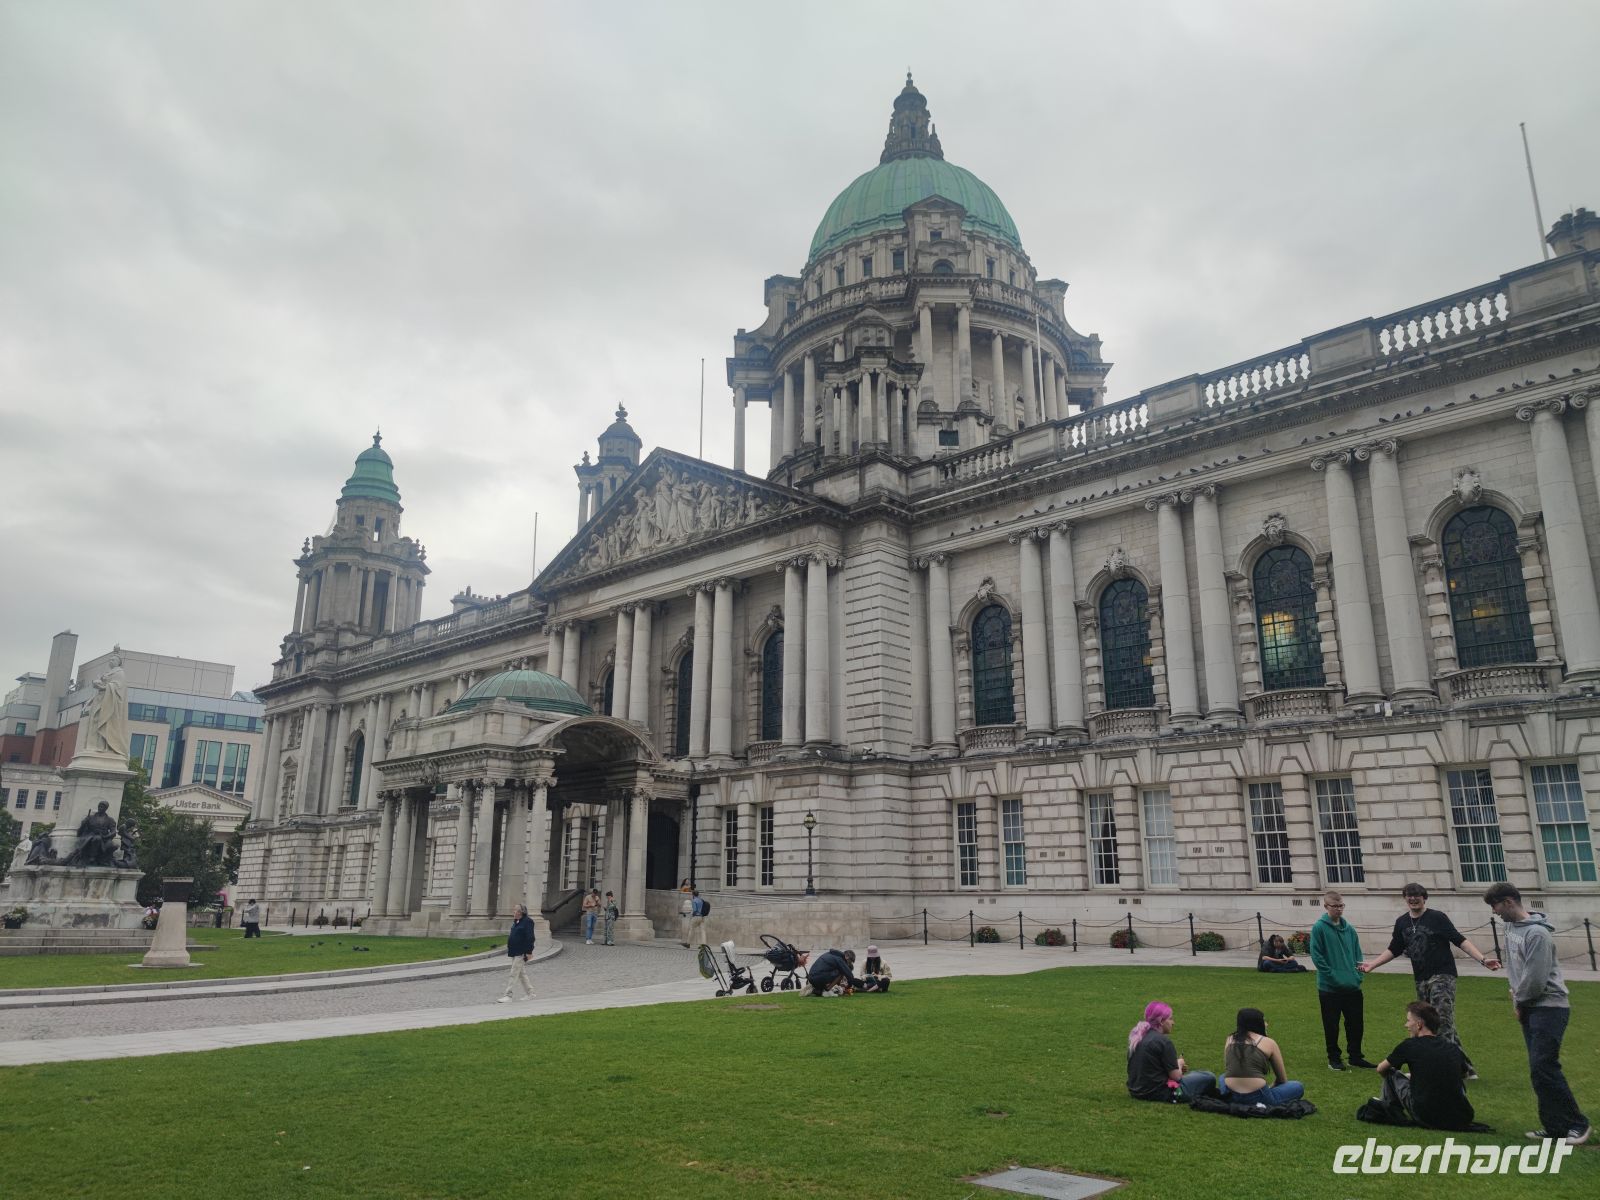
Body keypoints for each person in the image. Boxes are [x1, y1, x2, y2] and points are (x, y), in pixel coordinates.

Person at [1483, 882, 1591, 1145]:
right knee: (1537, 1069)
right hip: (1530, 1006)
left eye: (1495, 905)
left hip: (1549, 1007)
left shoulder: (1537, 935)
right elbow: (1515, 969)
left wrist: (1520, 1000)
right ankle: (1554, 1126)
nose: (1494, 912)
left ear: (1508, 902)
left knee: (1545, 1066)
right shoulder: (1511, 928)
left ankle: (1578, 1124)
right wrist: (1517, 1001)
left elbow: (1536, 978)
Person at [1359, 883, 1498, 1078]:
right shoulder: (1402, 922)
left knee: (1442, 1023)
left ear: (1424, 898)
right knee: (1433, 1023)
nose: (1413, 899)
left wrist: (1483, 959)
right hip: (1421, 979)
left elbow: (1460, 940)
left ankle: (1448, 1070)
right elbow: (1394, 949)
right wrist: (1372, 964)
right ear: (1405, 899)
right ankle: (1465, 1069)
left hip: (1442, 975)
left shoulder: (1437, 918)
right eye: (1409, 896)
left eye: (1417, 896)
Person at [1374, 1001, 1475, 1130]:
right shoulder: (1452, 1047)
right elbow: (1464, 1074)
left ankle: (1389, 1111)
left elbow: (1380, 1069)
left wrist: (1411, 1079)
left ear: (1419, 1024)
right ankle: (1451, 1107)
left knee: (1390, 1072)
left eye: (1408, 1021)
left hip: (1426, 1116)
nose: (1406, 1025)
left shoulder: (1410, 1045)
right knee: (1454, 1076)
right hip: (1461, 1117)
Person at [1310, 891, 1373, 1071]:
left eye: (1341, 906)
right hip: (1329, 988)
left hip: (1352, 986)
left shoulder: (1350, 929)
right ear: (1326, 907)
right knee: (1331, 1025)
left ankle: (1355, 1056)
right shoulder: (1319, 928)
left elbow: (1357, 954)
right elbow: (1317, 956)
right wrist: (1332, 976)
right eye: (1335, 906)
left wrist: (1357, 975)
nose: (1338, 909)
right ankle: (1334, 1058)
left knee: (1356, 1024)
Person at [1126, 1000, 1216, 1103]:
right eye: (1171, 1019)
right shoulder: (1164, 1042)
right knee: (1209, 1077)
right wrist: (1179, 1063)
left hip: (1136, 1091)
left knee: (1197, 1075)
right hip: (1161, 1093)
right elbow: (1176, 1077)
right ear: (1161, 1021)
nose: (1173, 1023)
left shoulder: (1137, 1038)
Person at [1220, 1007, 1304, 1106]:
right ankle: (1262, 1099)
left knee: (1223, 1077)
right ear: (1256, 1023)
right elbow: (1282, 1080)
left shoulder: (1230, 1039)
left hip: (1231, 1095)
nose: (1266, 1024)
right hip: (1259, 1097)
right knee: (1297, 1086)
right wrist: (1268, 1089)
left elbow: (1229, 1068)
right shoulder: (1269, 1043)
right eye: (1263, 1020)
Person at [497, 903, 535, 1003]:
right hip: (514, 951)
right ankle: (531, 993)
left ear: (520, 912)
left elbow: (530, 938)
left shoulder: (528, 922)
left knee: (513, 973)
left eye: (515, 910)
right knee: (522, 974)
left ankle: (508, 995)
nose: (513, 911)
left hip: (521, 952)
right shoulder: (517, 921)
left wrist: (529, 952)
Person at [678, 879, 694, 947]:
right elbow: (681, 893)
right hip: (686, 906)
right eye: (687, 881)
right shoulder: (684, 887)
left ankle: (687, 941)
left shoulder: (690, 887)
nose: (688, 881)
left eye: (689, 880)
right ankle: (686, 941)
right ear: (684, 881)